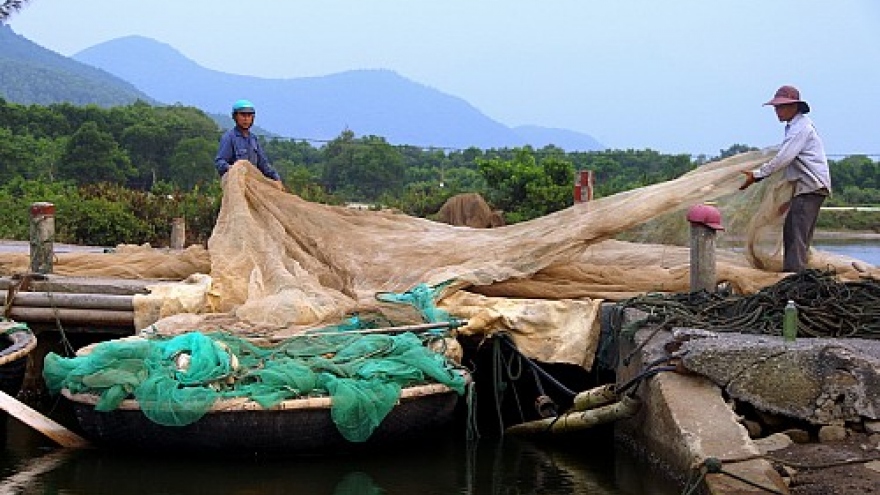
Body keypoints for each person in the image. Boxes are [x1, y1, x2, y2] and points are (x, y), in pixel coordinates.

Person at [739, 85, 831, 273]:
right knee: (794, 233)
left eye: (781, 107)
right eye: (776, 108)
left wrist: (757, 175)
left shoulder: (800, 128)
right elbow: (792, 168)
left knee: (795, 235)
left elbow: (783, 159)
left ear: (794, 107)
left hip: (811, 188)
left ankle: (794, 281)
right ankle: (797, 277)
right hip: (808, 188)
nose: (777, 111)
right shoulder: (795, 127)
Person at [214, 99, 283, 189]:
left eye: (249, 115)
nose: (246, 119)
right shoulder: (229, 138)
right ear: (235, 117)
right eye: (243, 115)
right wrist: (233, 169)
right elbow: (220, 162)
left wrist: (276, 178)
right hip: (236, 187)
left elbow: (263, 165)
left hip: (253, 186)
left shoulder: (253, 139)